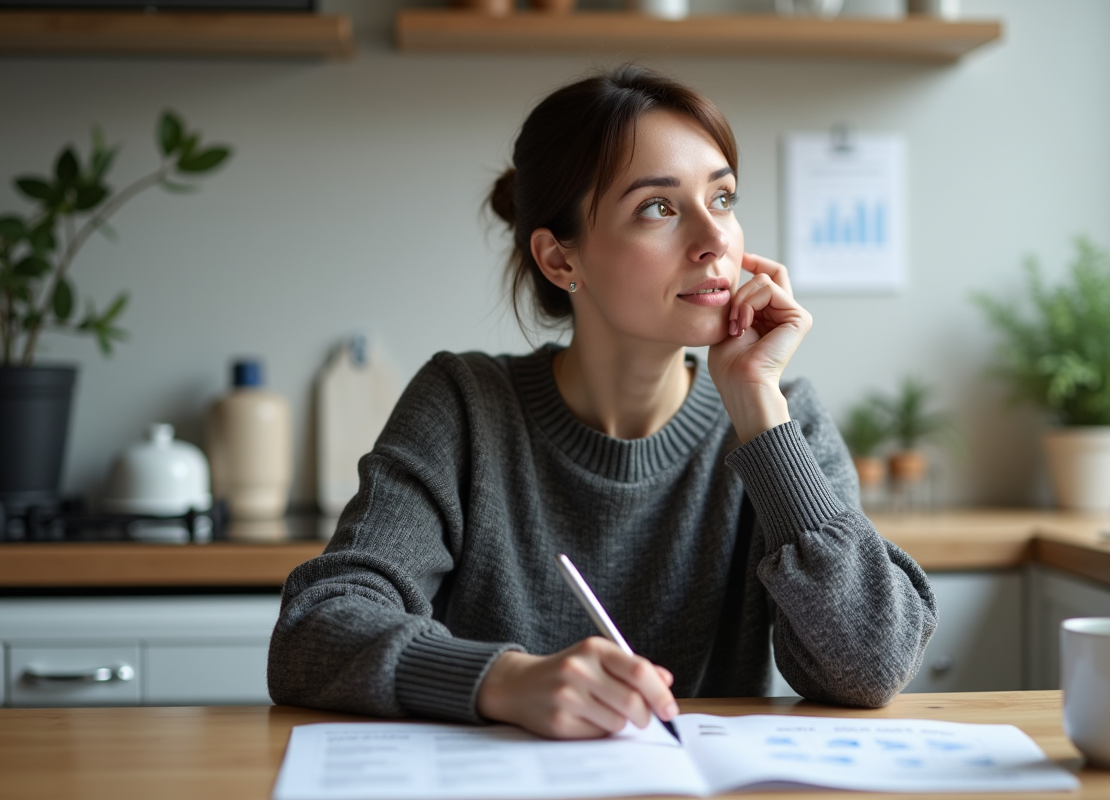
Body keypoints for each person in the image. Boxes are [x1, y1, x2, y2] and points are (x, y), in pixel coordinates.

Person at [268, 65, 937, 740]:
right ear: (561, 262)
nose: (715, 241)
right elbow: (315, 630)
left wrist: (758, 410)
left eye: (724, 199)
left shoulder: (781, 420)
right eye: (659, 208)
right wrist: (504, 680)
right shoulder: (464, 406)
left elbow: (869, 667)